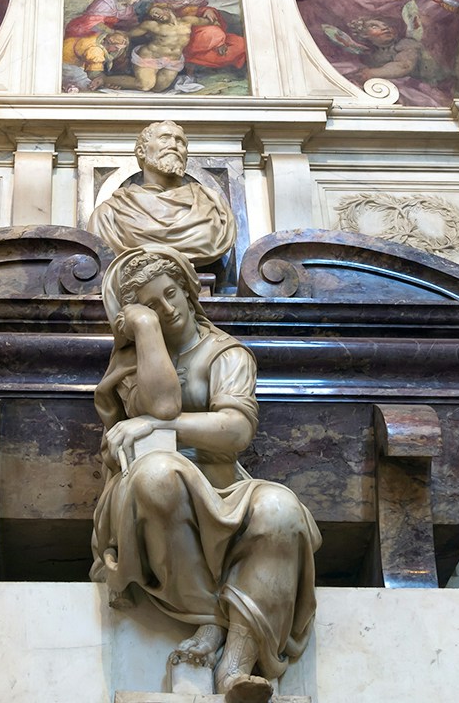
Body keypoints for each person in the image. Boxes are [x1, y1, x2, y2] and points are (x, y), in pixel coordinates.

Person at [93, 246, 319, 703]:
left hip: (223, 486)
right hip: (146, 498)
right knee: (159, 472)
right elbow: (162, 404)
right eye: (152, 306)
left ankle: (236, 662)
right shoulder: (133, 366)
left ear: (190, 291)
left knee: (278, 507)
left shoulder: (226, 354)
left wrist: (159, 427)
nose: (169, 309)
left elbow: (236, 430)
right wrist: (145, 331)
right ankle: (208, 621)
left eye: (172, 294)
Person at [88, 120, 237, 267]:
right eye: (164, 139)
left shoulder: (212, 204)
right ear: (141, 151)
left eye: (180, 142)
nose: (173, 146)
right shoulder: (110, 213)